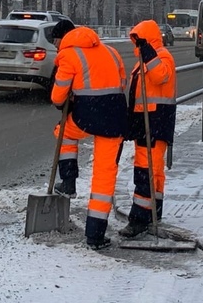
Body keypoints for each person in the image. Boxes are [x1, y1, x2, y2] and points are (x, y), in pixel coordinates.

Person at [49, 19, 130, 248]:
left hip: (86, 117)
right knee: (104, 177)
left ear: (62, 39)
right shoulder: (111, 52)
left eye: (55, 41)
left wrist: (72, 97)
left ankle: (68, 181)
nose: (55, 47)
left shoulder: (69, 56)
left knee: (63, 132)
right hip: (115, 118)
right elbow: (121, 82)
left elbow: (57, 97)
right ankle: (94, 235)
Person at [121, 20, 177, 239]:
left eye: (138, 39)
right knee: (153, 170)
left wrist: (148, 53)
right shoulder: (142, 61)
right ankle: (154, 209)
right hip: (144, 122)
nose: (135, 44)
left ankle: (140, 218)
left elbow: (160, 76)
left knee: (146, 170)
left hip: (155, 121)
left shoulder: (162, 57)